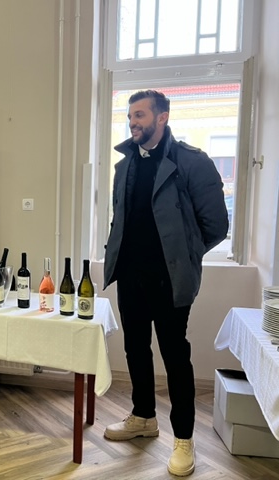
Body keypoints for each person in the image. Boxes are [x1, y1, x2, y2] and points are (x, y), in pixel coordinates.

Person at [103, 90, 229, 477]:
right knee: (135, 349)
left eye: (140, 115)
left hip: (171, 280)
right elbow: (122, 217)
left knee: (175, 356)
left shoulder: (192, 162)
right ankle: (143, 417)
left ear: (162, 117)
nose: (132, 122)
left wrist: (183, 254)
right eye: (130, 116)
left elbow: (216, 225)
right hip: (130, 275)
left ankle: (184, 439)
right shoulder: (125, 164)